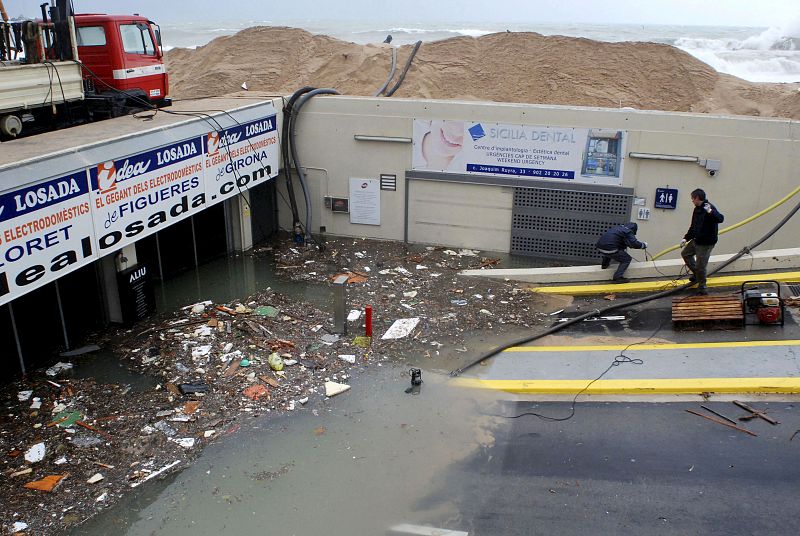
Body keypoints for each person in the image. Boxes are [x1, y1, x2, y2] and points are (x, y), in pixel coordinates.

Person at [681, 188, 724, 295]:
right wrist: (686, 238)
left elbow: (720, 219)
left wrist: (711, 212)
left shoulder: (709, 208)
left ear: (697, 198)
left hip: (706, 243)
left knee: (701, 266)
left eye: (692, 198)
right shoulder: (697, 209)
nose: (692, 200)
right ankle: (697, 274)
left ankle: (702, 288)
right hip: (696, 239)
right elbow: (693, 226)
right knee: (685, 254)